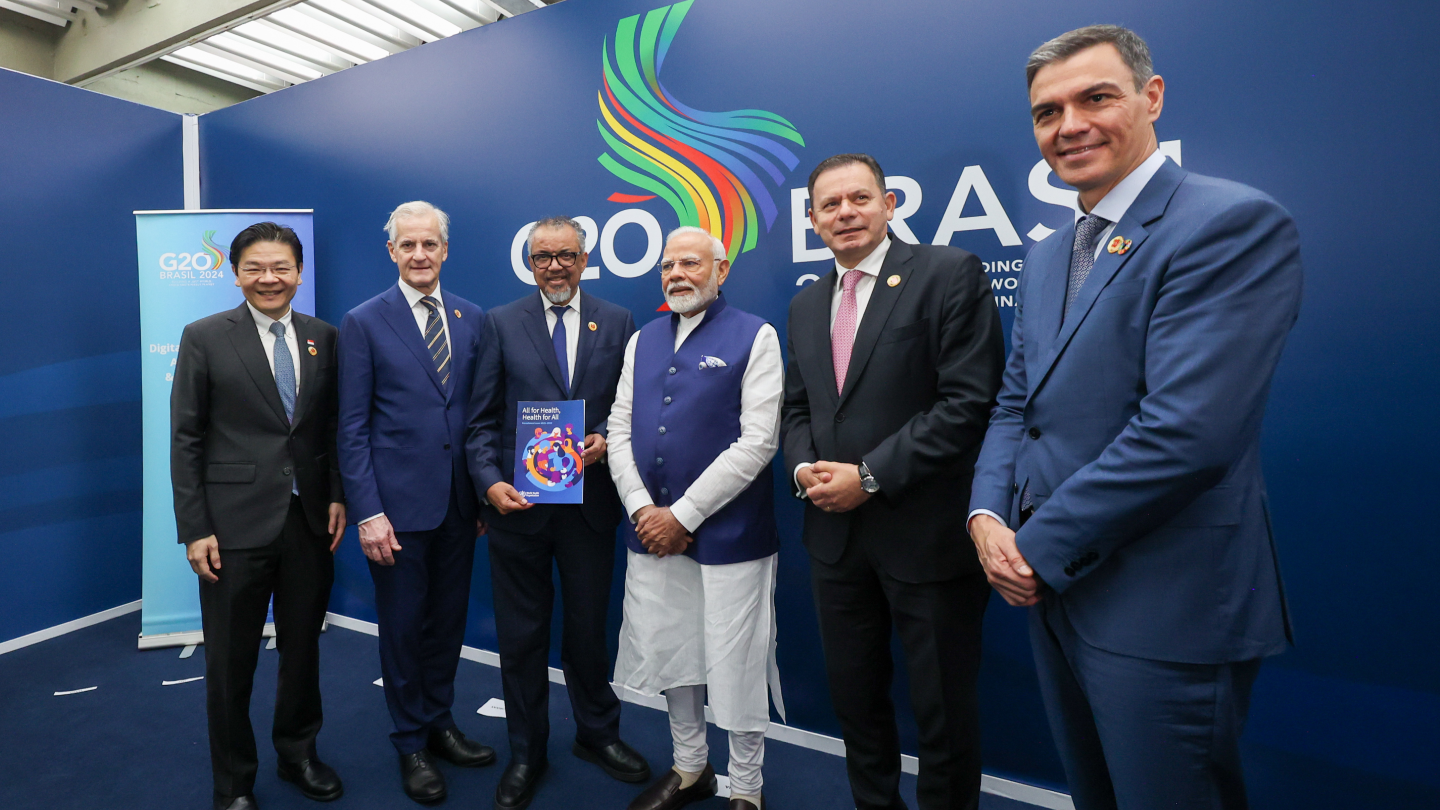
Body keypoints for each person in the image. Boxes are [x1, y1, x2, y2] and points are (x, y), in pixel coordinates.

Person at [968, 25, 1302, 810]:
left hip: (1163, 605)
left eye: (1096, 98)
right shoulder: (1050, 251)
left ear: (1151, 98)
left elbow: (1187, 433)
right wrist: (986, 513)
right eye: (1048, 112)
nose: (1070, 125)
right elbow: (1019, 402)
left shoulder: (1228, 224)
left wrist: (1032, 549)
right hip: (1052, 594)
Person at [780, 154, 1005, 810]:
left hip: (926, 539)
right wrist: (802, 467)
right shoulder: (804, 305)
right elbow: (797, 408)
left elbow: (969, 402)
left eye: (859, 199)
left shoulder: (946, 273)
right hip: (834, 541)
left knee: (943, 713)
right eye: (830, 205)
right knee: (855, 701)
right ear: (813, 220)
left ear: (889, 205)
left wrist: (871, 477)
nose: (846, 213)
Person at [465, 215, 648, 810]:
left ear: (585, 258)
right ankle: (527, 751)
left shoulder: (618, 321)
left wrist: (599, 437)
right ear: (530, 263)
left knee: (589, 634)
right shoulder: (499, 323)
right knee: (521, 639)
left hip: (590, 510)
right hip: (519, 511)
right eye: (543, 257)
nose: (555, 267)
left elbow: (631, 407)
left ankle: (598, 736)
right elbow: (481, 420)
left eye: (565, 255)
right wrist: (490, 483)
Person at [171, 222, 346, 810]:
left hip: (307, 523)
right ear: (236, 271)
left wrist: (338, 496)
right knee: (230, 662)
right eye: (255, 268)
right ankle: (233, 783)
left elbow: (331, 430)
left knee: (303, 650)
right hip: (231, 528)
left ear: (299, 272)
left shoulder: (325, 336)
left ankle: (298, 754)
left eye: (281, 268)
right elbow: (186, 439)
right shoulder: (204, 337)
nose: (269, 279)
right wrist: (194, 527)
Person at [610, 227, 786, 810]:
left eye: (691, 263)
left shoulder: (756, 336)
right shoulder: (643, 340)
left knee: (736, 661)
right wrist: (642, 509)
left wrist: (682, 515)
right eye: (668, 265)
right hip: (653, 534)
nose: (677, 274)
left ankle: (748, 787)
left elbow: (759, 442)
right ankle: (691, 769)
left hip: (732, 535)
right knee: (674, 651)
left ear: (721, 269)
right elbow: (617, 430)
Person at [337, 201, 495, 804]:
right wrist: (368, 512)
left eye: (430, 244)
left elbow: (478, 415)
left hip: (460, 506)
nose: (420, 255)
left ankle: (439, 721)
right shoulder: (364, 321)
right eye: (408, 246)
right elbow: (351, 427)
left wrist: (483, 490)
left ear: (445, 250)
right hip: (396, 513)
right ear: (392, 253)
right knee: (403, 629)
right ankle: (410, 742)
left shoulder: (471, 317)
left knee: (447, 623)